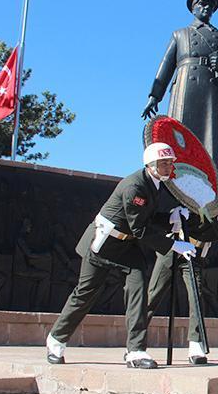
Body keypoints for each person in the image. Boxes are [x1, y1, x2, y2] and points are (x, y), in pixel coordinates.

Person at [46, 143, 196, 369]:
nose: (168, 167)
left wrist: (171, 217)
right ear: (150, 165)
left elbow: (145, 218)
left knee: (138, 289)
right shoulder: (135, 186)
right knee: (85, 293)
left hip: (127, 246)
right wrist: (175, 245)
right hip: (104, 244)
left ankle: (135, 350)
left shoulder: (156, 184)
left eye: (170, 162)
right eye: (163, 163)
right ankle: (56, 339)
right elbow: (140, 229)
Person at [141, 0, 218, 183]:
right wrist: (154, 96)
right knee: (180, 135)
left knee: (214, 141)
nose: (206, 8)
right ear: (193, 8)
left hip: (213, 92)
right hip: (185, 88)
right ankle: (175, 178)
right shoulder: (180, 34)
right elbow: (165, 67)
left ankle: (217, 181)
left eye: (210, 5)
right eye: (202, 3)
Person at [147, 181, 218, 365]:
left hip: (195, 256)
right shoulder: (206, 205)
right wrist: (180, 214)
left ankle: (195, 345)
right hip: (176, 248)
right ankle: (135, 344)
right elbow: (184, 211)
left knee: (196, 298)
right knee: (153, 295)